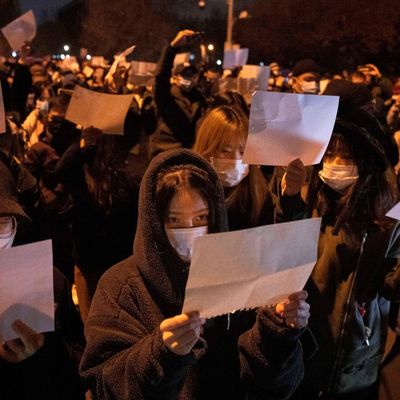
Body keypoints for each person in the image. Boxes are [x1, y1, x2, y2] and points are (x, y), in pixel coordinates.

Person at [80, 148, 311, 400]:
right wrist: (160, 354)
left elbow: (273, 386)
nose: (190, 230)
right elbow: (103, 382)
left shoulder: (241, 273)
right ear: (154, 222)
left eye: (200, 218)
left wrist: (277, 332)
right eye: (175, 221)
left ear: (215, 217)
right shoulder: (121, 286)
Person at [281, 112, 400, 399]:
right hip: (304, 356)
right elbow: (284, 255)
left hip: (354, 366)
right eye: (329, 155)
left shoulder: (386, 217)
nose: (335, 165)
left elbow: (390, 288)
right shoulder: (310, 200)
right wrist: (289, 200)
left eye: (345, 157)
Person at [0, 155, 86, 400]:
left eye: (1, 222)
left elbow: (79, 374)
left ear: (16, 225)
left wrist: (46, 350)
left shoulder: (50, 282)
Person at [193, 105, 302, 230]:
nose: (235, 161)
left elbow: (275, 234)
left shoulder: (258, 193)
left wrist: (290, 199)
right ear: (208, 149)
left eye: (242, 152)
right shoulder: (189, 189)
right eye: (225, 151)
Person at [149, 30, 207, 156]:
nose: (189, 78)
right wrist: (172, 48)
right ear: (174, 77)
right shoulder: (165, 96)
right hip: (166, 155)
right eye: (184, 74)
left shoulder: (200, 100)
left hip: (189, 157)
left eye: (192, 74)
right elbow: (161, 76)